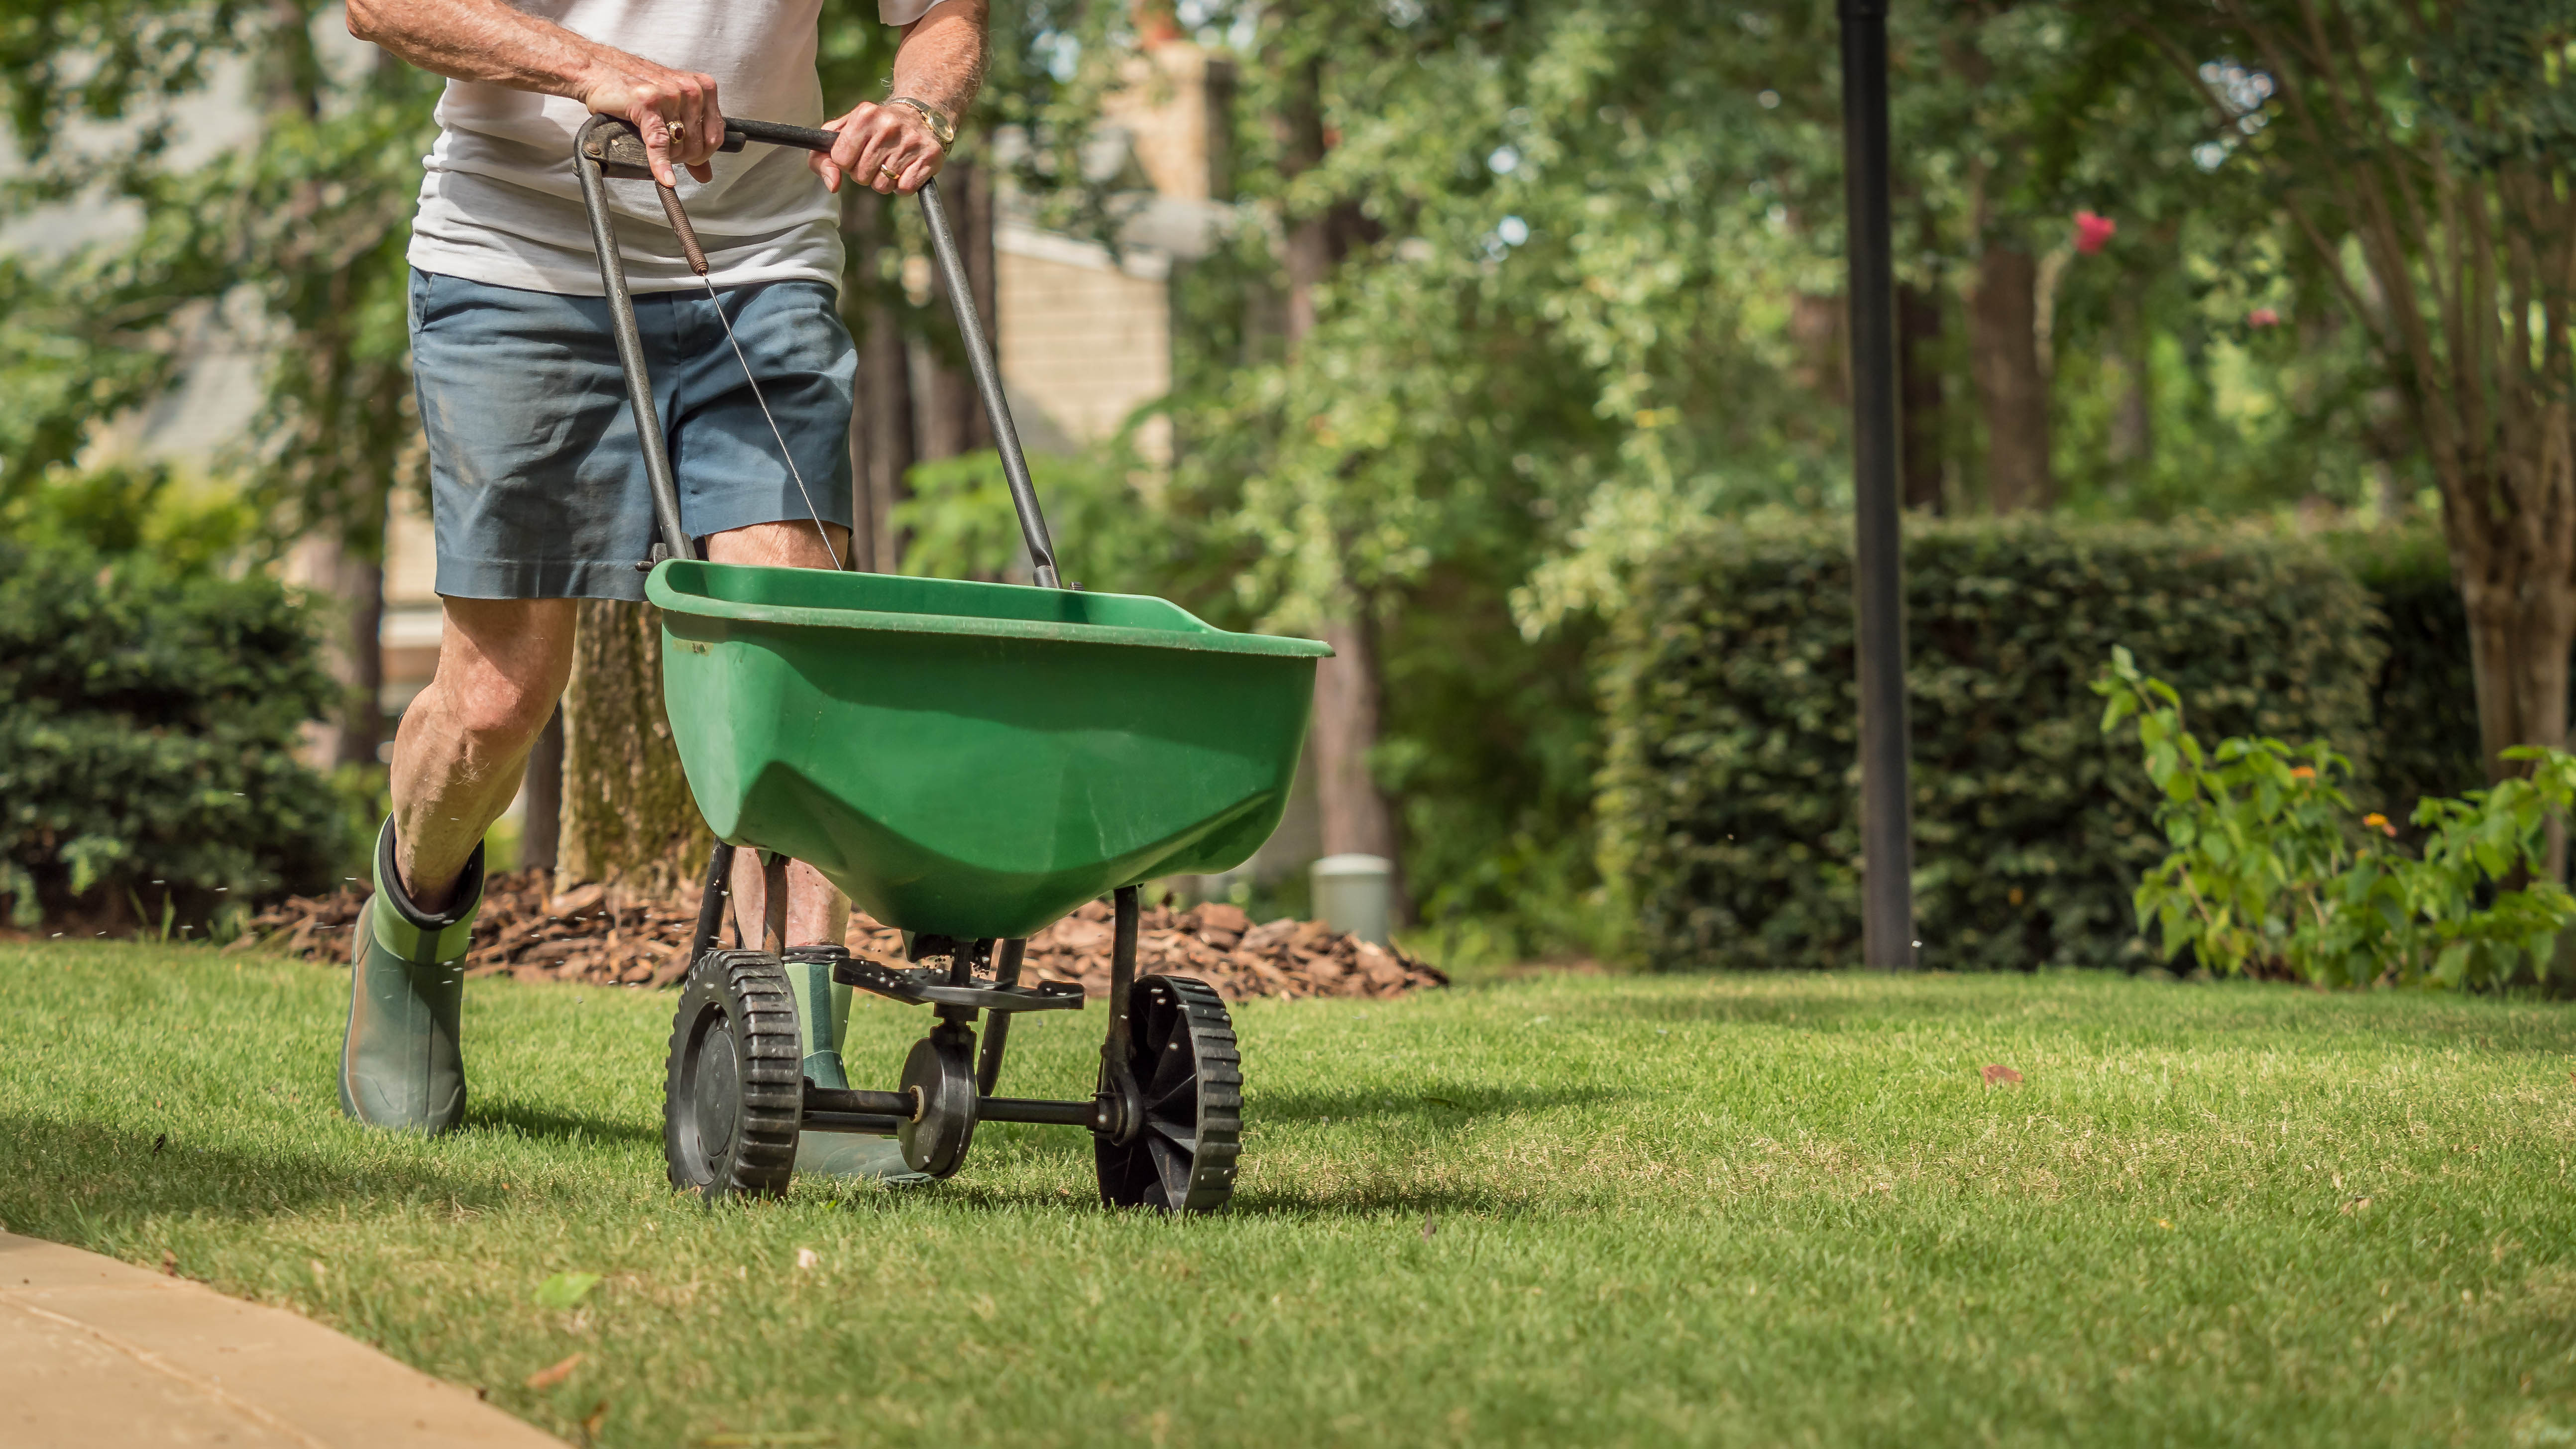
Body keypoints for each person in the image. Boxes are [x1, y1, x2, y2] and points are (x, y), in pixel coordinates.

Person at [336, 0, 985, 1134]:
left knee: (788, 672)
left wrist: (919, 101)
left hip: (760, 264)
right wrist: (597, 67)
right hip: (518, 266)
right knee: (496, 701)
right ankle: (410, 934)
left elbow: (942, 14)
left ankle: (797, 1059)